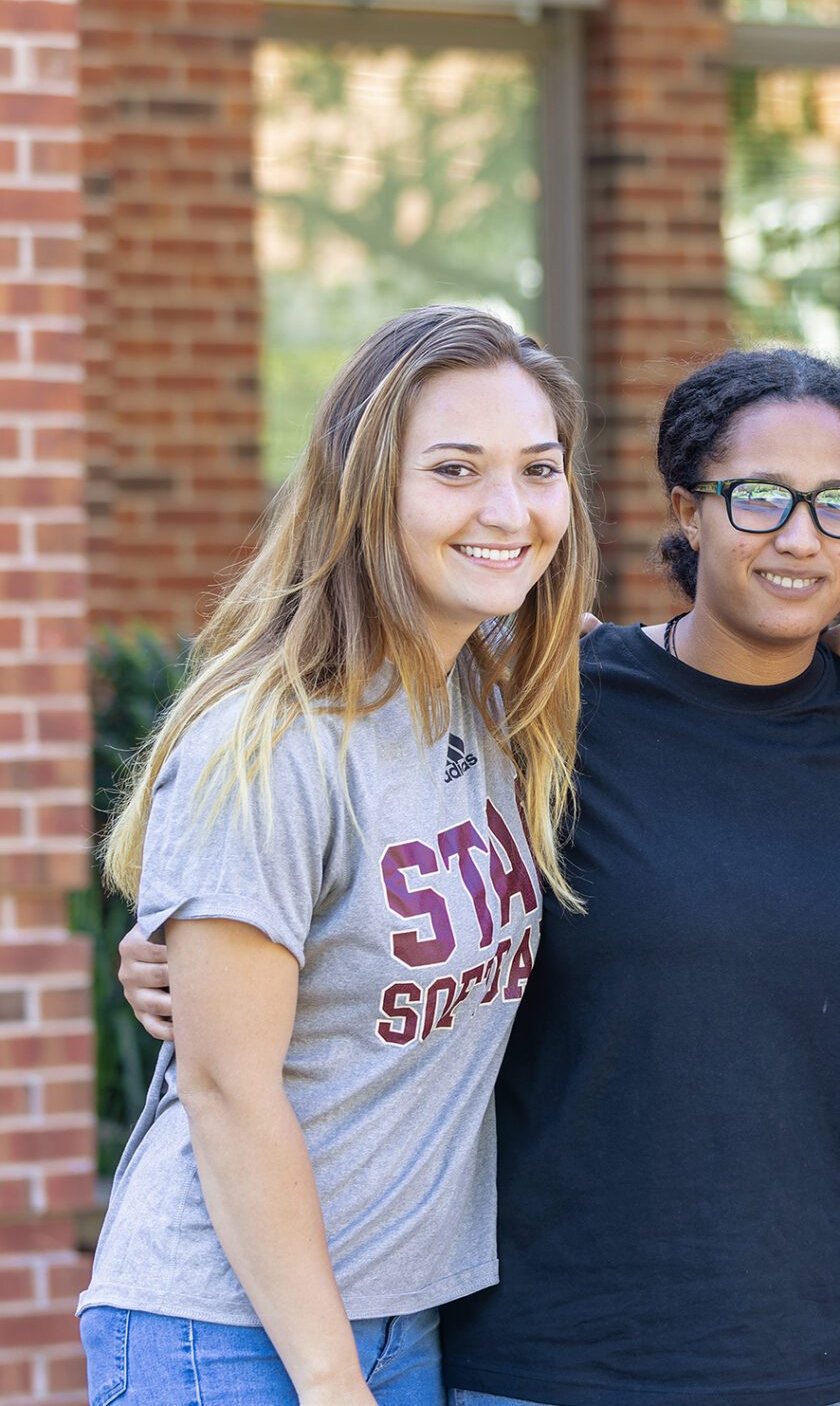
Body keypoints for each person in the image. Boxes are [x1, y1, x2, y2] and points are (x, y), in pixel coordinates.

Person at [122, 350, 840, 1406]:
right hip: (506, 1352)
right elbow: (242, 1040)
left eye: (839, 504)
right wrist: (181, 965)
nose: (798, 534)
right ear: (684, 510)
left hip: (823, 1352)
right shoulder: (546, 705)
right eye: (757, 496)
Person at [78, 305, 598, 1406]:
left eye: (537, 468)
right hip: (231, 1332)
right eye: (455, 470)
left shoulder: (491, 685)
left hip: (391, 1320)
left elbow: (709, 660)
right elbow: (225, 1087)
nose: (508, 511)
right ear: (371, 489)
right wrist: (329, 1379)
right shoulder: (274, 743)